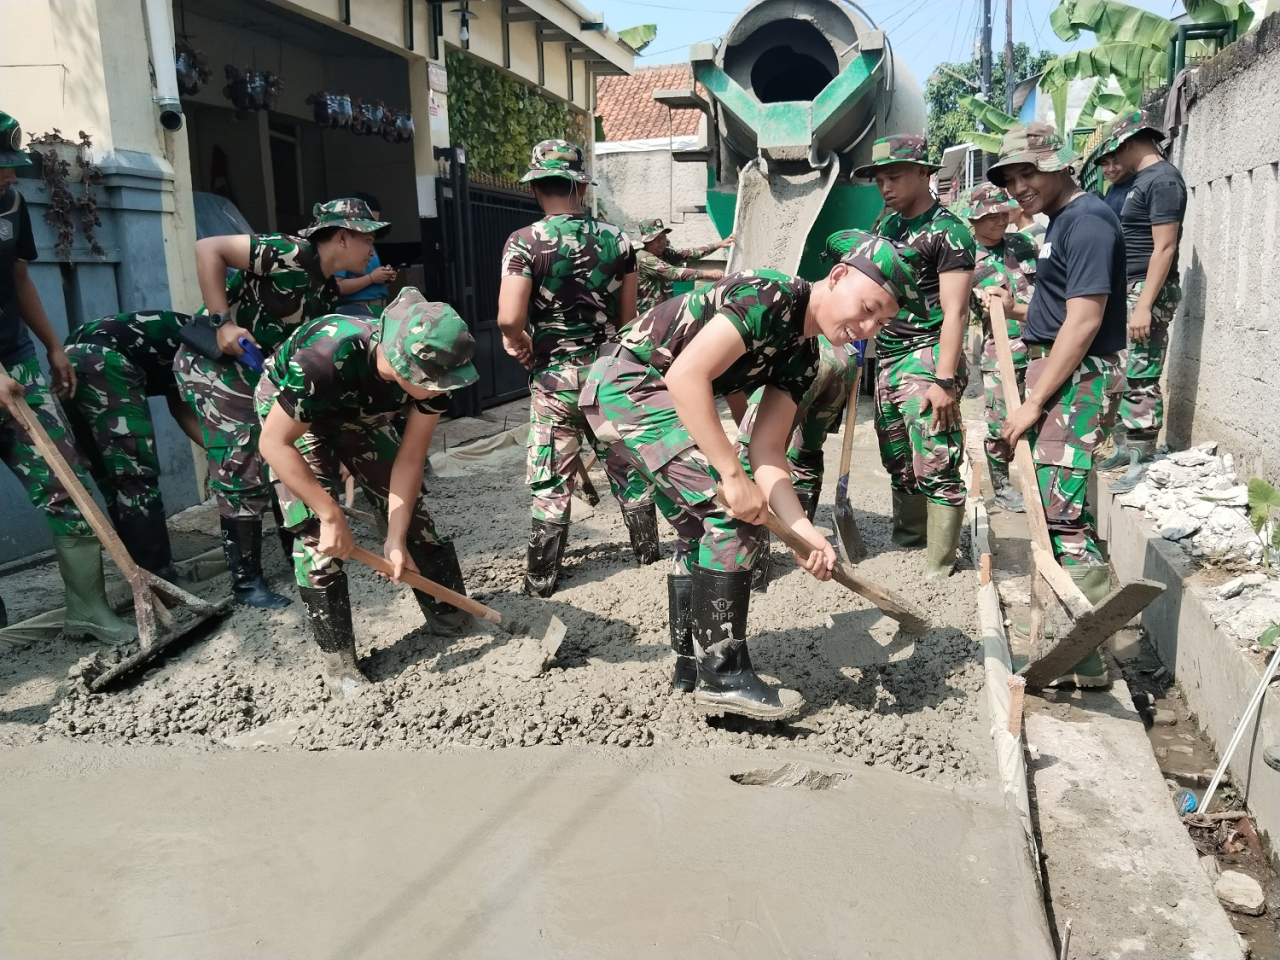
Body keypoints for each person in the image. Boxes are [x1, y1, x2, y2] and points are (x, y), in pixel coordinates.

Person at [580, 232, 915, 720]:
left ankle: (691, 665)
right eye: (867, 308)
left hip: (649, 397)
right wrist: (730, 475)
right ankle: (725, 674)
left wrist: (804, 533)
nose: (866, 328)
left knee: (700, 529)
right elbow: (686, 376)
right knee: (732, 515)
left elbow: (769, 448)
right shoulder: (769, 295)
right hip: (629, 384)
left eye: (880, 322)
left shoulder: (804, 356)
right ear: (838, 276)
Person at [257, 288, 478, 697]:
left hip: (359, 410)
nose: (440, 392)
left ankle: (452, 616)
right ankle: (339, 667)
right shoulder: (321, 360)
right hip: (292, 411)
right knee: (317, 540)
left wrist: (394, 538)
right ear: (400, 362)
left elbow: (409, 460)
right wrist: (329, 512)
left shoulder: (435, 375)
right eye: (431, 384)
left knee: (414, 518)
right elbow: (273, 444)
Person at [174, 197, 389, 609]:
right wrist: (222, 321)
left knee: (278, 447)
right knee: (241, 459)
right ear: (342, 237)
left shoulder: (325, 289)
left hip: (258, 370)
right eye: (367, 240)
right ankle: (246, 583)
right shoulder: (290, 252)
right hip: (215, 362)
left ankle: (293, 545)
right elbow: (209, 248)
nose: (371, 250)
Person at [989, 122, 1127, 688]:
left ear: (1061, 165)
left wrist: (1034, 402)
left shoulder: (1089, 221)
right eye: (1012, 176)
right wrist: (1017, 311)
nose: (1020, 186)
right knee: (1053, 506)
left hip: (1077, 381)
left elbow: (1087, 318)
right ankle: (1075, 646)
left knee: (1061, 515)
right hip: (1056, 368)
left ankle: (1083, 657)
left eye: (1030, 172)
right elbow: (1062, 308)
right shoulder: (1063, 223)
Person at [498, 139, 658, 596]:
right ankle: (647, 555)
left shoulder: (523, 242)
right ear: (581, 187)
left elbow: (509, 317)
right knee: (627, 466)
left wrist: (519, 341)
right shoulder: (619, 240)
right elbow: (630, 322)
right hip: (608, 375)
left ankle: (541, 579)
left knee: (552, 477)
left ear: (536, 188)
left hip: (554, 380)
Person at [0, 109, 132, 641]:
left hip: (19, 364)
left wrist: (53, 346)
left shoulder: (10, 204)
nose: (10, 176)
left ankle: (87, 609)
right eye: (0, 166)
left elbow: (18, 278)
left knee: (65, 484)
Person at [856, 134, 976, 579]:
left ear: (925, 173)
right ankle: (910, 540)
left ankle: (940, 564)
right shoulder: (886, 229)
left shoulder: (949, 231)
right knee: (898, 458)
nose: (884, 187)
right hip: (887, 355)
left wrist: (944, 380)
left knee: (936, 458)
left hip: (926, 357)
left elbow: (956, 310)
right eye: (878, 179)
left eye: (894, 176)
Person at [61, 311, 205, 581]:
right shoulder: (208, 342)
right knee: (135, 475)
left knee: (109, 474)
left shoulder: (189, 329)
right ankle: (160, 579)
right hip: (106, 362)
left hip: (68, 358)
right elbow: (187, 410)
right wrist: (226, 452)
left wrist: (217, 451)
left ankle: (139, 574)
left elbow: (179, 407)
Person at [1093, 110, 1187, 493]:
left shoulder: (1163, 180)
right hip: (1124, 288)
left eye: (1118, 150)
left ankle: (1142, 458)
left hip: (1143, 289)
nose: (1116, 159)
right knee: (1116, 373)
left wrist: (1145, 304)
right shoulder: (1139, 181)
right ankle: (1122, 448)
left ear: (1130, 144)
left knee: (1141, 373)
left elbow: (1164, 247)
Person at [958, 183, 1039, 513]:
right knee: (998, 422)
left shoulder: (1023, 244)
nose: (1000, 220)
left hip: (1039, 345)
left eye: (1004, 214)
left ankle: (1038, 482)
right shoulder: (965, 258)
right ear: (975, 220)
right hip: (1001, 350)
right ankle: (1004, 486)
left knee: (1039, 416)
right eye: (992, 216)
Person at [634, 217, 735, 314]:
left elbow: (689, 253)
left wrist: (719, 244)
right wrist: (707, 273)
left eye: (663, 236)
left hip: (660, 312)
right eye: (656, 239)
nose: (661, 241)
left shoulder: (664, 253)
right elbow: (672, 273)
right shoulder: (644, 257)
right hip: (645, 315)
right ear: (646, 241)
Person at [333, 192, 397, 318]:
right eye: (369, 222)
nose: (373, 228)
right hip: (356, 311)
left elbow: (370, 279)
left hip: (378, 308)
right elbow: (337, 287)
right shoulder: (343, 249)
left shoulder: (370, 246)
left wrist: (384, 277)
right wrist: (371, 278)